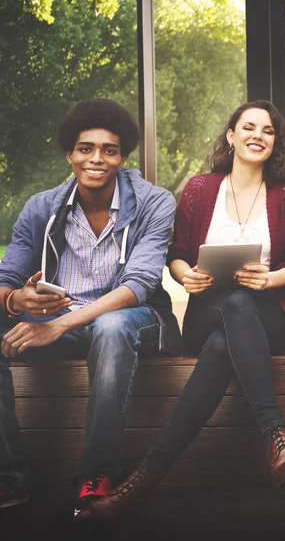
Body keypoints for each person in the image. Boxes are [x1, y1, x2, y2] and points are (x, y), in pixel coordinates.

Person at [77, 99, 285, 522]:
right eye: (249, 127)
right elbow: (178, 253)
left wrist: (271, 277)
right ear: (231, 135)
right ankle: (274, 436)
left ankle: (145, 478)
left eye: (268, 130)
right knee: (229, 313)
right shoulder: (201, 188)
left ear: (277, 142)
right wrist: (186, 275)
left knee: (232, 325)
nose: (258, 136)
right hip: (206, 311)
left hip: (269, 314)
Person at [0, 99, 178, 515]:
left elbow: (139, 285)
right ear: (70, 153)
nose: (96, 159)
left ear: (122, 157)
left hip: (136, 320)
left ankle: (98, 473)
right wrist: (16, 300)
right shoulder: (42, 207)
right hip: (62, 320)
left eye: (109, 150)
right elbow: (6, 278)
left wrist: (58, 327)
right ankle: (11, 477)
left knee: (112, 326)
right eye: (85, 148)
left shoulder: (154, 202)